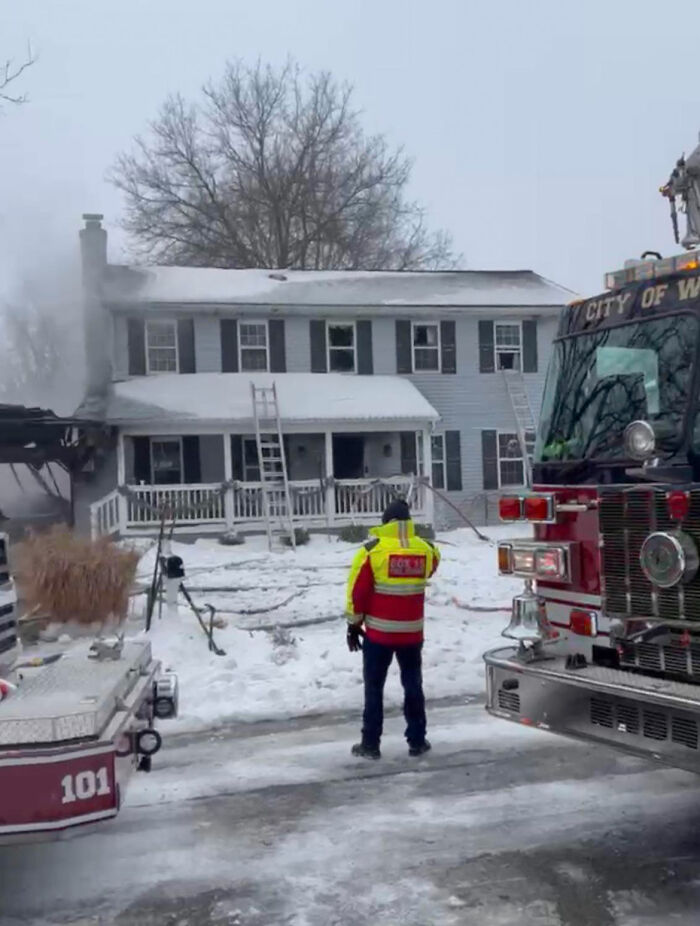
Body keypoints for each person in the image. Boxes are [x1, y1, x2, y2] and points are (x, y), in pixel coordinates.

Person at [345, 498, 440, 760]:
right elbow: (434, 564)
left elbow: (358, 592)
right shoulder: (425, 549)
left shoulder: (371, 551)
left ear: (385, 522)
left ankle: (370, 744)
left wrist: (354, 625)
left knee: (374, 688)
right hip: (412, 634)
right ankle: (417, 741)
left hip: (379, 635)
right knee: (413, 685)